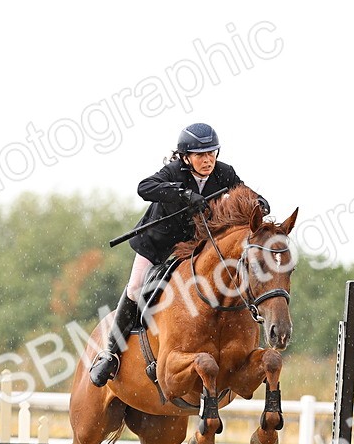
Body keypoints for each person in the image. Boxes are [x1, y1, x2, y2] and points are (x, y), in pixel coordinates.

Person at [89, 122, 269, 387]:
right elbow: (144, 187)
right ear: (186, 157)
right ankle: (111, 353)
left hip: (195, 245)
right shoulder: (174, 172)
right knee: (136, 287)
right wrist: (184, 195)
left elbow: (247, 192)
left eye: (211, 153)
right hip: (158, 245)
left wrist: (260, 202)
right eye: (200, 155)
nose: (207, 160)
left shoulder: (223, 173)